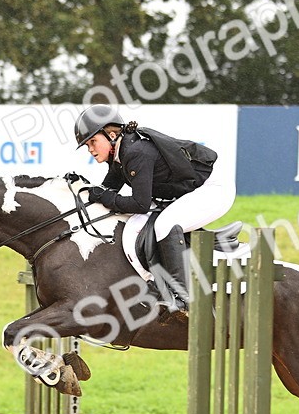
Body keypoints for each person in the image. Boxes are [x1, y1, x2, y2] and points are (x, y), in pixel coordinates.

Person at [73, 103, 233, 315]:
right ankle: (157, 281)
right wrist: (79, 190)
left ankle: (182, 296)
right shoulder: (121, 152)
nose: (91, 150)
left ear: (111, 135)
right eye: (87, 145)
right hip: (190, 190)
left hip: (213, 190)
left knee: (165, 225)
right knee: (138, 225)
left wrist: (102, 195)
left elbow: (140, 204)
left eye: (93, 142)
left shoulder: (135, 152)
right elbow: (106, 192)